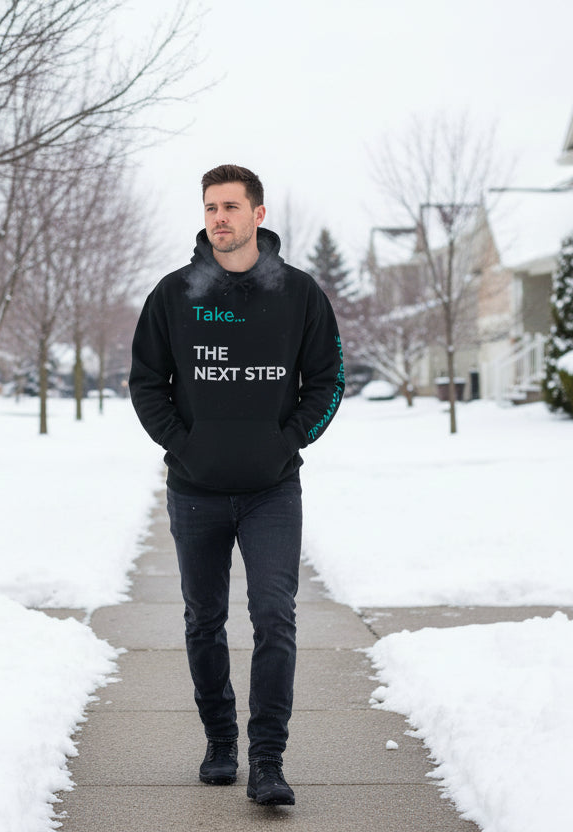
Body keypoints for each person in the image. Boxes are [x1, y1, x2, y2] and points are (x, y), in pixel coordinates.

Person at [128, 164, 344, 806]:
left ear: (259, 214)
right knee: (204, 618)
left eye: (230, 205)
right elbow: (146, 382)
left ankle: (268, 760)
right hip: (195, 489)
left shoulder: (300, 294)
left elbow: (327, 381)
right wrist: (183, 443)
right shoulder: (173, 295)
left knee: (275, 617)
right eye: (209, 207)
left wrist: (288, 440)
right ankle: (221, 742)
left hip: (272, 489)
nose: (218, 217)